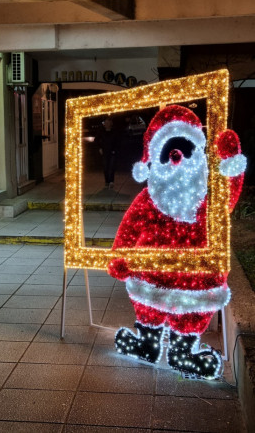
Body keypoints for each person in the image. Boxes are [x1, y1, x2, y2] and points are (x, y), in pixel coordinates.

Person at [108, 104, 246, 379]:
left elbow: (226, 201)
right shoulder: (148, 200)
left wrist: (231, 164)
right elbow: (129, 227)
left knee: (190, 317)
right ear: (153, 161)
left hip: (194, 282)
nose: (176, 156)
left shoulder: (205, 200)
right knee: (149, 312)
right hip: (150, 278)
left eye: (185, 147)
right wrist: (119, 256)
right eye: (168, 150)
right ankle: (147, 344)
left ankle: (183, 352)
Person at [96, 117, 119, 188]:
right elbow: (96, 140)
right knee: (105, 167)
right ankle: (107, 181)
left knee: (112, 167)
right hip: (105, 152)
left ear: (111, 123)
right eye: (106, 123)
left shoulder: (114, 131)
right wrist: (100, 148)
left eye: (108, 122)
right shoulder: (101, 131)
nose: (107, 124)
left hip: (112, 152)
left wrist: (115, 150)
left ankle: (111, 181)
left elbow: (117, 141)